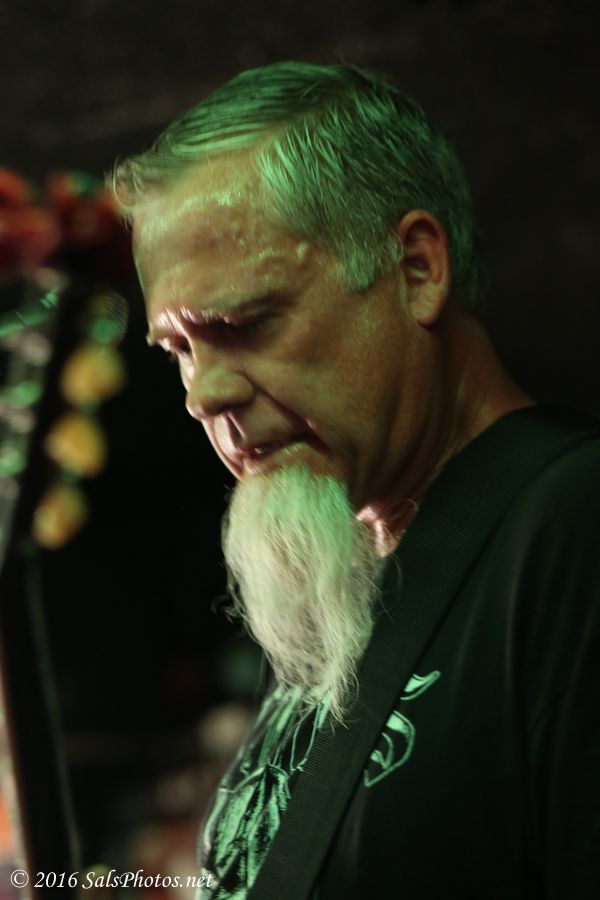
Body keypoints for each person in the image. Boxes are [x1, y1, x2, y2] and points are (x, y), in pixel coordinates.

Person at [110, 62, 600, 899]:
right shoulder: (342, 565)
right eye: (180, 349)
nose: (202, 394)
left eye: (245, 323)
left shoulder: (574, 526)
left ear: (417, 269)